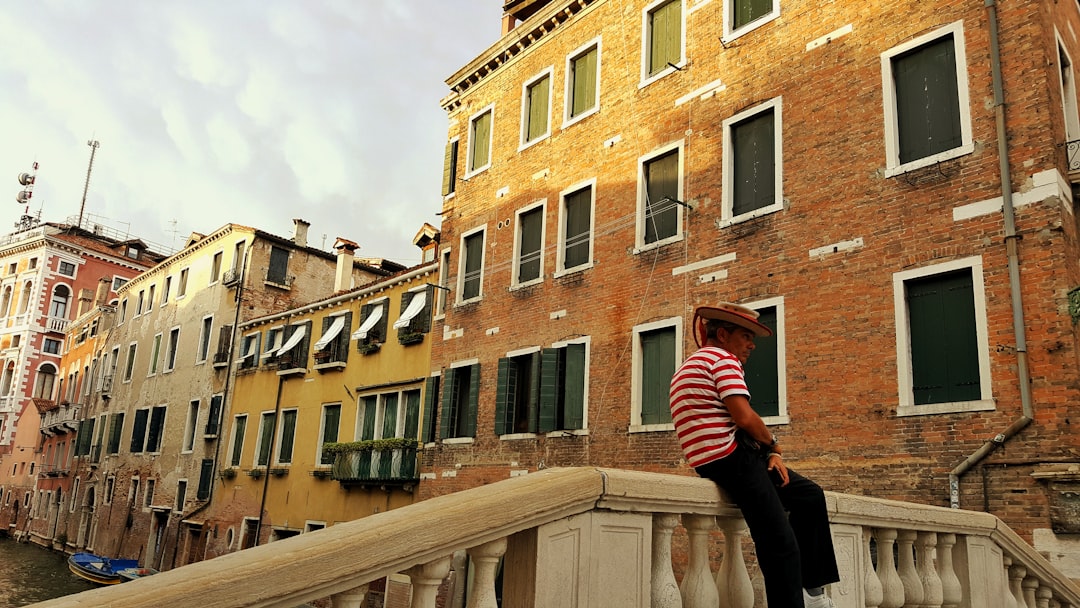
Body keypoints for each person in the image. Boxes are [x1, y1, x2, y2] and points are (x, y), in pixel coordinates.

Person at [669, 302, 840, 608]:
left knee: (809, 495)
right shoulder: (723, 360)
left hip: (715, 460)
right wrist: (774, 446)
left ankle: (813, 593)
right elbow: (744, 418)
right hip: (734, 458)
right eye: (746, 336)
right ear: (723, 334)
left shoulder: (688, 365)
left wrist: (768, 455)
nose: (751, 345)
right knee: (779, 542)